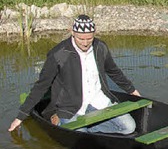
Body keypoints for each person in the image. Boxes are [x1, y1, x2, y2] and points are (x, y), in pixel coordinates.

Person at [8, 15, 141, 134]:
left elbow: (114, 71)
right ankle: (60, 119)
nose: (85, 43)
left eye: (89, 38)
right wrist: (21, 116)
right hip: (70, 106)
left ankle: (86, 127)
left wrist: (132, 91)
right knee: (80, 135)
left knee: (129, 127)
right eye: (80, 38)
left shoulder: (100, 47)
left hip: (98, 100)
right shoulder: (59, 53)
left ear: (94, 33)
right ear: (72, 33)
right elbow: (42, 85)